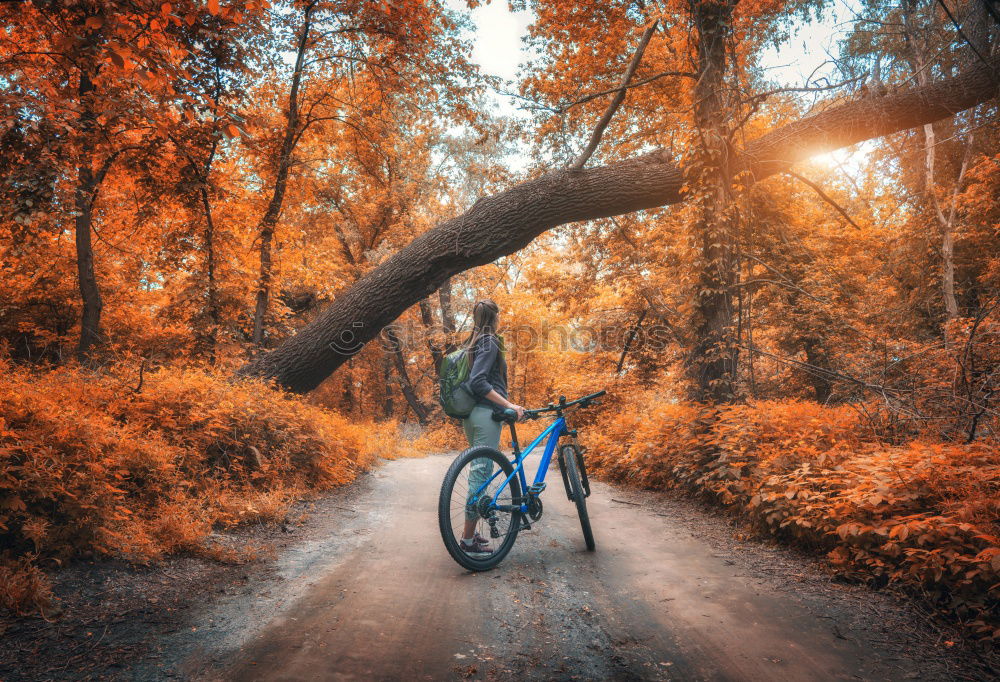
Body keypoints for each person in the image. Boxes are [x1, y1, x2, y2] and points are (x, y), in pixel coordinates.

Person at [460, 299, 525, 555]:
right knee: (480, 475)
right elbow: (478, 382)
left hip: (472, 415)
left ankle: (471, 533)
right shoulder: (489, 340)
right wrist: (509, 404)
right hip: (486, 415)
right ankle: (467, 542)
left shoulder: (473, 341)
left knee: (479, 472)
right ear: (495, 317)